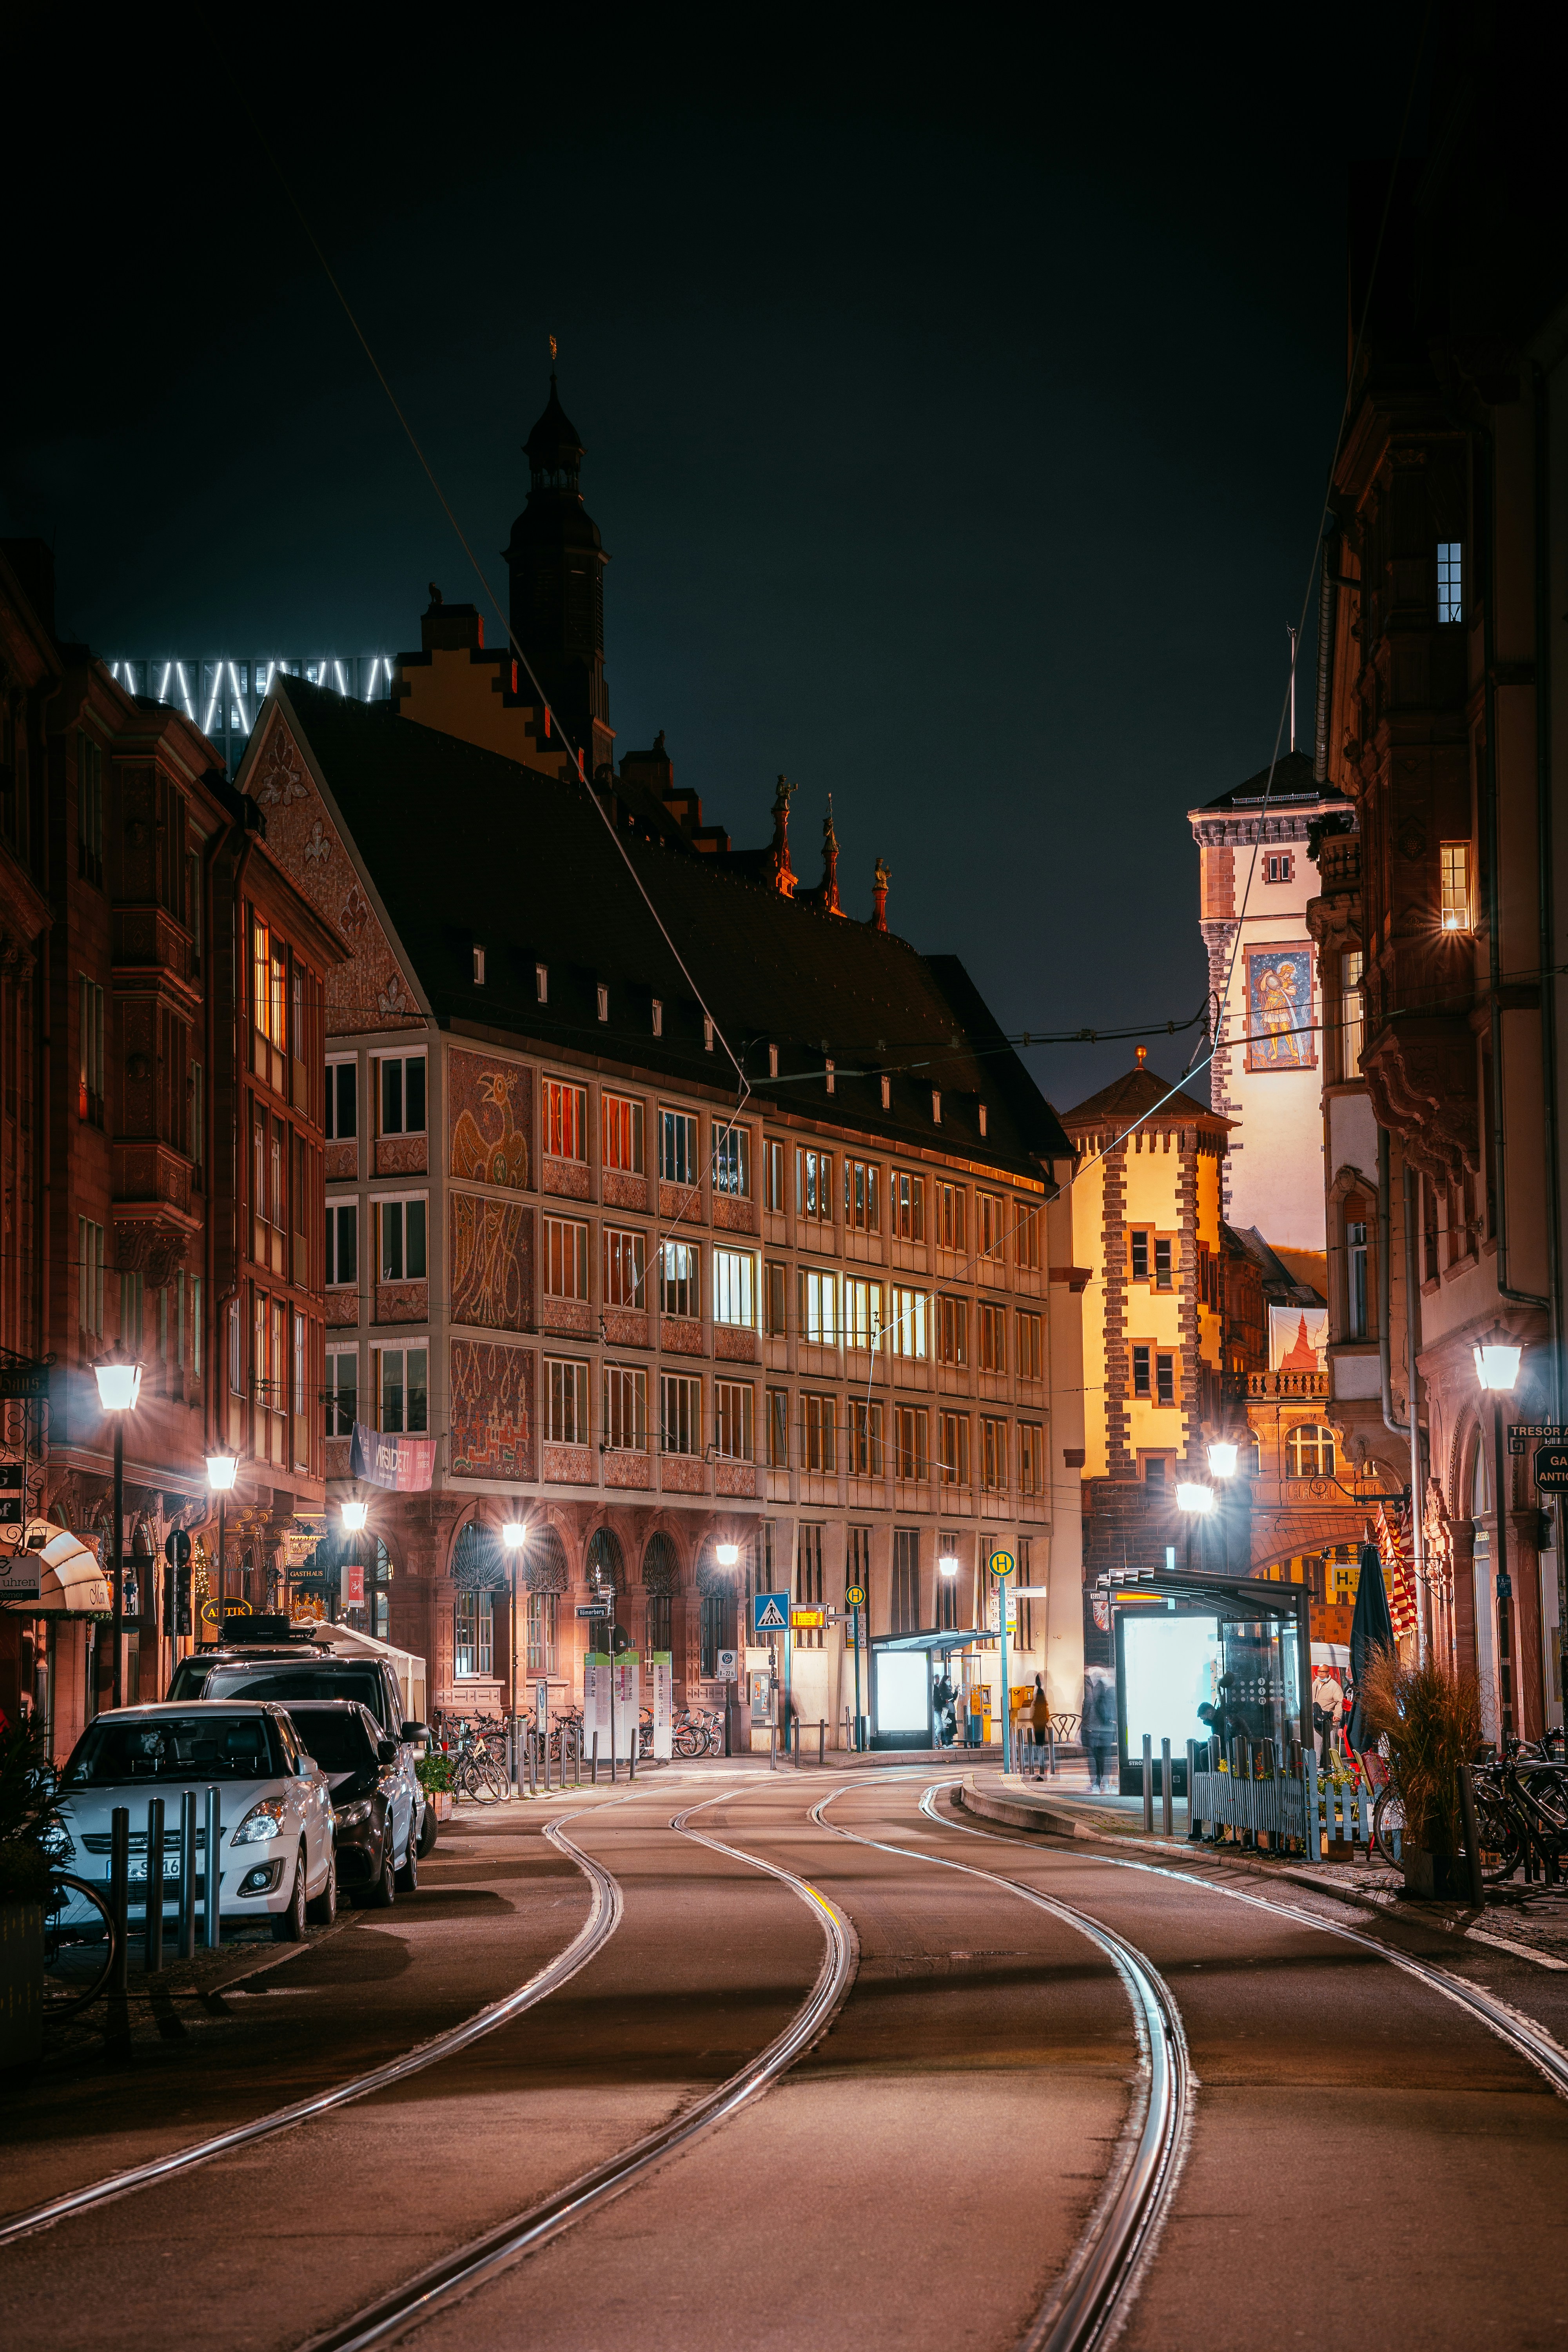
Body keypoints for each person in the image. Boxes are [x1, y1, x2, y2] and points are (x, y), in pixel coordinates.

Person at [1083, 1672, 1117, 1792]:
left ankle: (1096, 1784)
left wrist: (1085, 1726)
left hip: (1096, 1730)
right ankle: (1106, 1784)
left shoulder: (1094, 1691)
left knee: (1095, 1758)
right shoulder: (1111, 1690)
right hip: (1108, 1729)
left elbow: (1088, 1708)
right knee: (1106, 1757)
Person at [1025, 1674, 1052, 1780]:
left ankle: (1041, 1765)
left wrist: (1034, 1719)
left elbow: (1038, 1708)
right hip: (1041, 1721)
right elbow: (1044, 1707)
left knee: (1039, 1744)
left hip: (1039, 1722)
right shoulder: (1041, 1692)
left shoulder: (1039, 1693)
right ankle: (1042, 1765)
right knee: (1040, 1744)